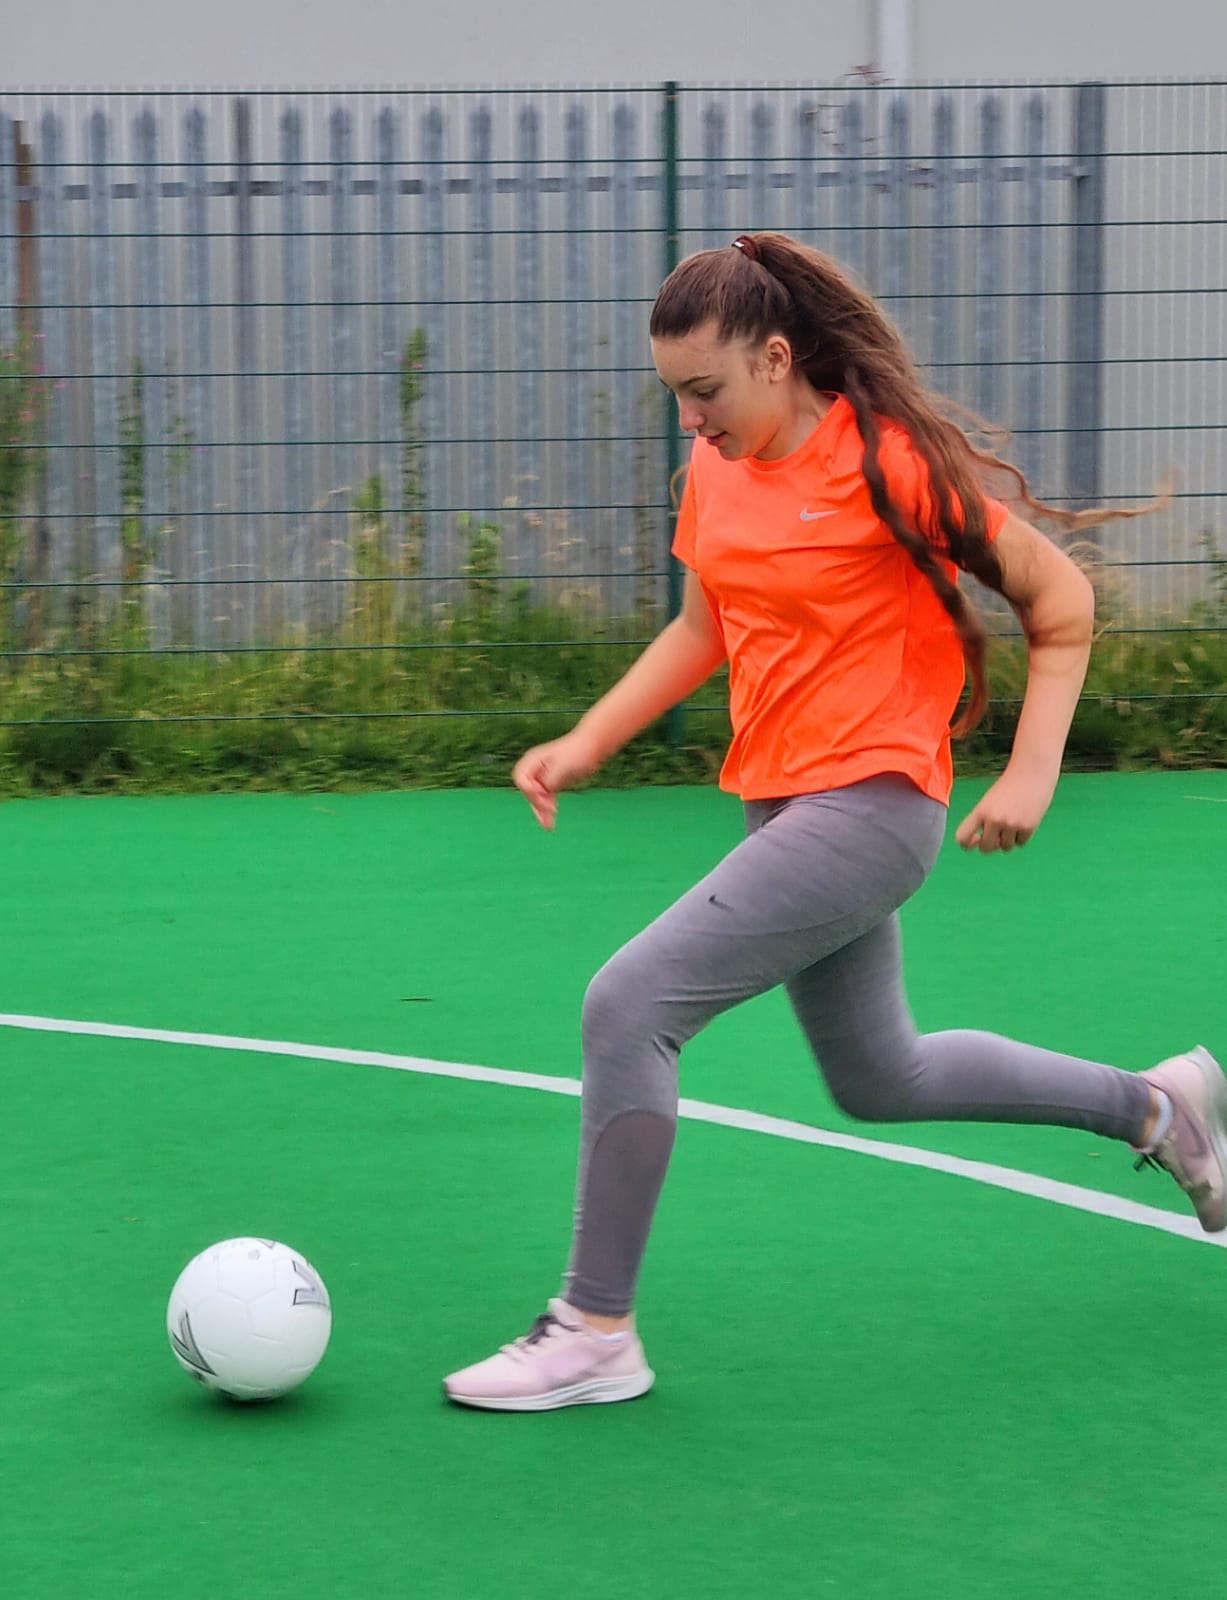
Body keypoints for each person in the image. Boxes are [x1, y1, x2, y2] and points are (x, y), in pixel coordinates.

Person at [442, 231, 1226, 1414]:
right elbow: (704, 629)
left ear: (772, 356)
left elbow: (1057, 601)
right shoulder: (716, 470)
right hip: (783, 802)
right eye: (674, 397)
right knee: (880, 1075)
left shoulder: (887, 464)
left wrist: (1029, 773)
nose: (690, 421)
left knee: (627, 1007)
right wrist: (589, 737)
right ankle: (1162, 1107)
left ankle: (594, 1326)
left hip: (872, 805)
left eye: (705, 391)